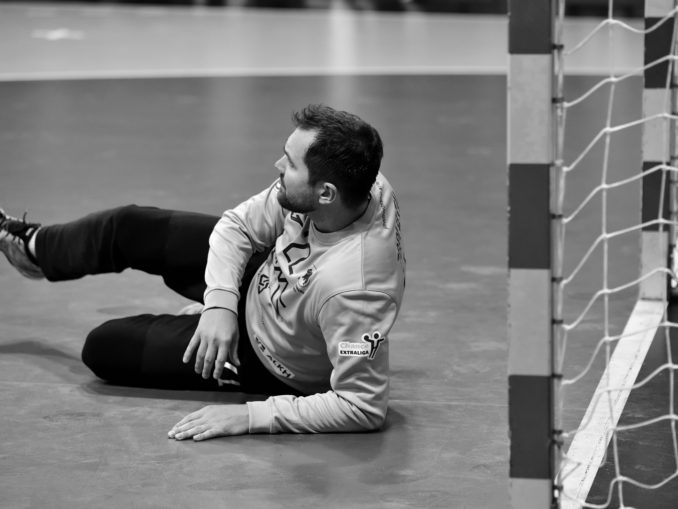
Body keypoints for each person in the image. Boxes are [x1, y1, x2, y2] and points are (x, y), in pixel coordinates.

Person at [0, 104, 406, 441]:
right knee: (130, 227)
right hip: (264, 278)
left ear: (325, 193)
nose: (278, 165)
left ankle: (223, 337)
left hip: (271, 356)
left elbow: (362, 406)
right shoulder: (353, 178)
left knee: (105, 347)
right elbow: (238, 226)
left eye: (291, 164)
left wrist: (253, 415)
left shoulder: (355, 289)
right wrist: (221, 304)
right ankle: (37, 248)